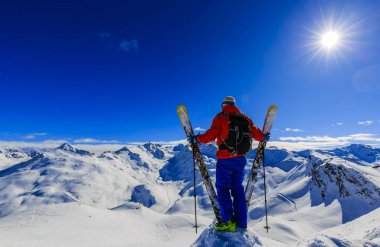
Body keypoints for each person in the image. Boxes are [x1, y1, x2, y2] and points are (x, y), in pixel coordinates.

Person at [188, 96, 270, 232]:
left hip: (225, 159)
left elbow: (210, 135)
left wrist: (196, 138)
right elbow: (257, 134)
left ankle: (227, 222)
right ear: (234, 105)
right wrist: (264, 137)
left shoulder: (220, 117)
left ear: (223, 105)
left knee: (223, 189)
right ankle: (242, 223)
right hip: (241, 160)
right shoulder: (245, 118)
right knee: (237, 190)